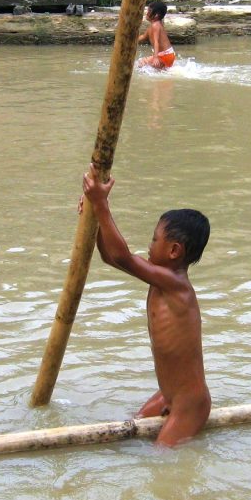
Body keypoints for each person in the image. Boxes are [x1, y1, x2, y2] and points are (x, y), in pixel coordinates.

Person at [79, 164, 211, 447]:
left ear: (174, 251)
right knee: (134, 424)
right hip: (169, 394)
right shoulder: (160, 279)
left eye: (154, 240)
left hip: (190, 402)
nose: (149, 246)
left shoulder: (175, 284)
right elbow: (110, 257)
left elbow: (124, 256)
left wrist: (102, 205)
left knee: (162, 458)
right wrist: (95, 219)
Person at [137, 0, 176, 70]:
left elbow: (156, 42)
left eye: (149, 11)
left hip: (165, 55)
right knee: (157, 70)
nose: (147, 13)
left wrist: (155, 57)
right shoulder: (154, 25)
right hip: (168, 55)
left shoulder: (155, 25)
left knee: (141, 63)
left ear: (156, 15)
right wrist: (129, 41)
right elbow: (143, 37)